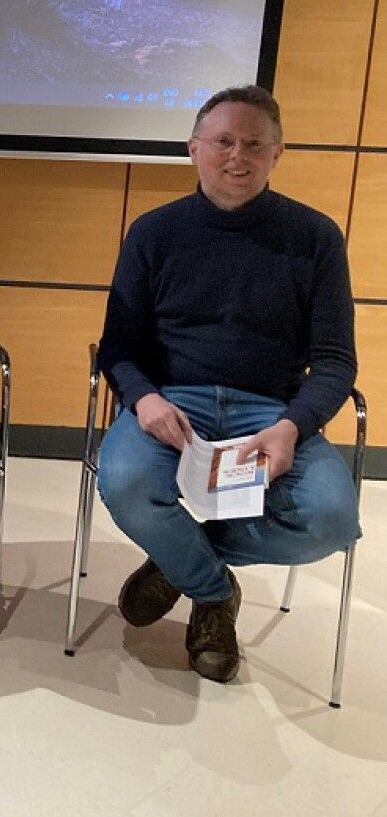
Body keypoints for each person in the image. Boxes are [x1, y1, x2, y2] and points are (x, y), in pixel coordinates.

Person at [96, 84, 359, 683]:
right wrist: (145, 398)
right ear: (194, 149)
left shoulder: (315, 238)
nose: (237, 157)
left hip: (271, 412)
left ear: (277, 154)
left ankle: (179, 561)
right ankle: (214, 595)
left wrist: (291, 427)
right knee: (128, 482)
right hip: (173, 403)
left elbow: (338, 360)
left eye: (254, 144)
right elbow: (118, 346)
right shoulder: (154, 231)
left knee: (332, 520)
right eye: (223, 142)